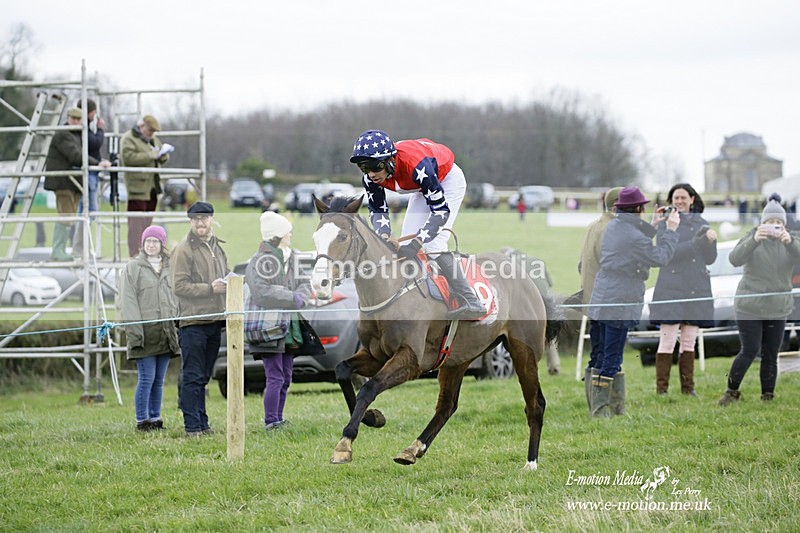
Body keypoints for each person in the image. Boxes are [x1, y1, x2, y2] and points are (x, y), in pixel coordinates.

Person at [349, 129, 485, 320]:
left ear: (390, 160)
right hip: (421, 187)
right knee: (405, 246)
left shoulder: (416, 166)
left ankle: (471, 300)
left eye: (374, 166)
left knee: (432, 245)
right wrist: (385, 235)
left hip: (447, 180)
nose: (371, 174)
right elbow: (378, 210)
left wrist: (417, 242)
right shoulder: (371, 179)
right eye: (364, 168)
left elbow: (440, 212)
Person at [588, 186, 680, 418]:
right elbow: (661, 257)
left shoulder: (614, 226)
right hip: (620, 300)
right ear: (638, 208)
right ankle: (602, 412)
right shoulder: (632, 235)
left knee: (599, 355)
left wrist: (655, 224)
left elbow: (634, 238)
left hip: (602, 297)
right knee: (612, 357)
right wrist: (669, 230)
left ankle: (608, 408)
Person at [719, 193, 800, 406]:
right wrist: (754, 241)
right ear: (763, 222)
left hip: (777, 306)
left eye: (778, 222)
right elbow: (734, 258)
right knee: (750, 349)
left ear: (783, 224)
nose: (774, 226)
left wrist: (790, 242)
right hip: (750, 305)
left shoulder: (791, 239)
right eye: (770, 222)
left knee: (771, 353)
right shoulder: (752, 236)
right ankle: (731, 391)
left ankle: (768, 395)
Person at [245, 212, 311, 431]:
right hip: (268, 328)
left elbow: (304, 283)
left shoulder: (293, 257)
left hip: (290, 327)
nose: (290, 235)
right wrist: (292, 297)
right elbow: (261, 292)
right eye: (287, 232)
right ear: (278, 235)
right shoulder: (258, 261)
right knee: (275, 376)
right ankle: (271, 421)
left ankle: (278, 418)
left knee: (286, 376)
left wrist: (302, 295)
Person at [651, 184, 717, 397]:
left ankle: (688, 389)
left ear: (692, 199)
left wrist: (711, 242)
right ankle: (662, 390)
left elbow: (710, 259)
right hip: (670, 289)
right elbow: (667, 254)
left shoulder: (703, 224)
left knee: (689, 340)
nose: (679, 201)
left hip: (696, 288)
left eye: (682, 197)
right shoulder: (666, 224)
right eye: (675, 198)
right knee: (667, 340)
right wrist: (697, 243)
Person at [171, 201, 229, 436]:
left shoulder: (218, 247)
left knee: (204, 376)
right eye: (195, 219)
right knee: (192, 375)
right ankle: (192, 426)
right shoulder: (183, 250)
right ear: (190, 221)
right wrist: (210, 289)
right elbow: (178, 286)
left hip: (214, 321)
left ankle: (203, 423)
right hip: (193, 322)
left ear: (212, 219)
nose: (200, 222)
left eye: (204, 218)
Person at [121, 225, 180, 432]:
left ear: (162, 244)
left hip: (165, 333)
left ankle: (155, 418)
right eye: (148, 241)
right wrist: (135, 332)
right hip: (144, 333)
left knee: (159, 381)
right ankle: (142, 420)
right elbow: (128, 303)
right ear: (143, 244)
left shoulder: (170, 267)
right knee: (146, 378)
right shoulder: (133, 268)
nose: (151, 245)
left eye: (155, 241)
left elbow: (176, 298)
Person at [576, 186, 622, 411]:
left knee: (597, 353)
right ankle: (605, 408)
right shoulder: (613, 228)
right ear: (616, 207)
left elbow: (581, 265)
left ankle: (597, 405)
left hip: (592, 299)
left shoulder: (594, 225)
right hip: (609, 300)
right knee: (608, 355)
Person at [43, 107, 111, 260]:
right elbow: (75, 155)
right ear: (68, 118)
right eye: (72, 118)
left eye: (78, 119)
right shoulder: (63, 134)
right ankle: (57, 251)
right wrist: (97, 163)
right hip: (63, 182)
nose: (75, 121)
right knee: (66, 215)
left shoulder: (76, 134)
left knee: (70, 215)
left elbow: (82, 152)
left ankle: (60, 251)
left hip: (72, 182)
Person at [120, 115, 174, 257]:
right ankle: (134, 254)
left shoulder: (153, 140)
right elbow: (128, 158)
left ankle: (145, 253)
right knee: (135, 225)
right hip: (137, 188)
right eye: (150, 130)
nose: (151, 134)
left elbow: (159, 153)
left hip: (152, 188)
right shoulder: (128, 138)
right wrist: (151, 155)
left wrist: (163, 155)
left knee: (147, 224)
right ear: (142, 126)